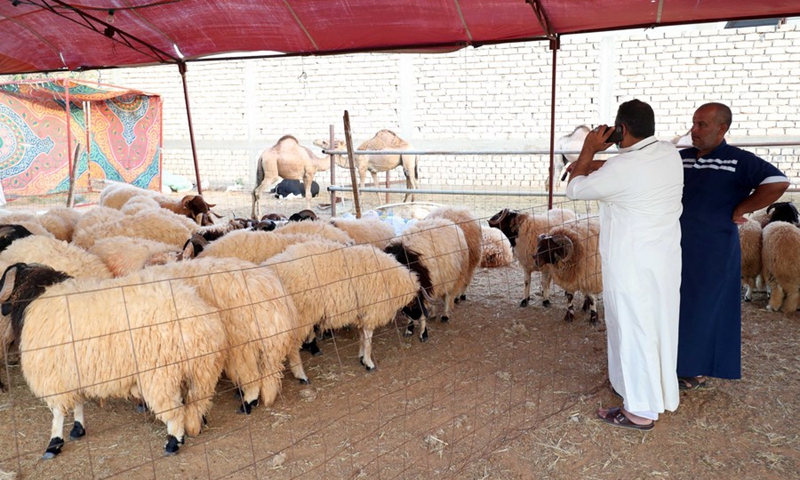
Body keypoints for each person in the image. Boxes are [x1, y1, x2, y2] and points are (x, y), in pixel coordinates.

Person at [566, 99, 684, 430]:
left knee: (634, 329)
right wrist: (601, 164)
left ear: (622, 130)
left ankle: (640, 411)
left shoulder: (624, 168)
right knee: (656, 326)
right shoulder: (666, 153)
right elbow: (629, 171)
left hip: (630, 263)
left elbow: (573, 190)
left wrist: (588, 150)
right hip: (662, 260)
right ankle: (651, 394)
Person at [677, 103, 790, 389]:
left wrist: (741, 208)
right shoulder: (682, 158)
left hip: (712, 247)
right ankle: (678, 362)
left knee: (704, 306)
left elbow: (777, 181)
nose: (695, 130)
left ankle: (697, 369)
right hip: (675, 245)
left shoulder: (736, 160)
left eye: (702, 125)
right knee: (679, 305)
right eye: (693, 123)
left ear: (722, 128)